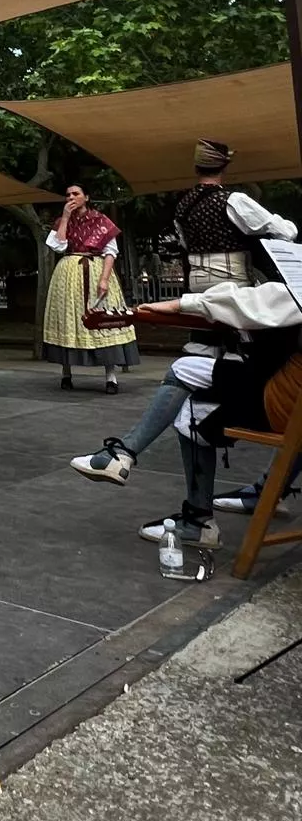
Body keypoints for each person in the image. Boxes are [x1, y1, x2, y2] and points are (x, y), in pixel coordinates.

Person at [70, 279, 302, 547]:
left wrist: (181, 303)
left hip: (286, 404)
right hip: (290, 395)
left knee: (188, 390)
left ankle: (195, 519)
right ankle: (267, 492)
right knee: (195, 373)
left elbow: (268, 300)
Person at [42, 184, 138, 393]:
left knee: (103, 320)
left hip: (95, 270)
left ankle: (110, 376)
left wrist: (104, 279)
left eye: (76, 194)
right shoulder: (62, 221)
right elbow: (58, 246)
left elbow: (111, 252)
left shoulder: (101, 220)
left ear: (86, 196)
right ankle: (66, 373)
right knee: (69, 320)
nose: (71, 197)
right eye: (67, 195)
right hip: (69, 273)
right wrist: (65, 217)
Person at [174, 139, 297, 291]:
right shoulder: (232, 200)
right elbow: (284, 232)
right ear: (224, 168)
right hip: (232, 280)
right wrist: (289, 227)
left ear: (196, 169)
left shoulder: (183, 204)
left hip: (197, 282)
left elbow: (186, 243)